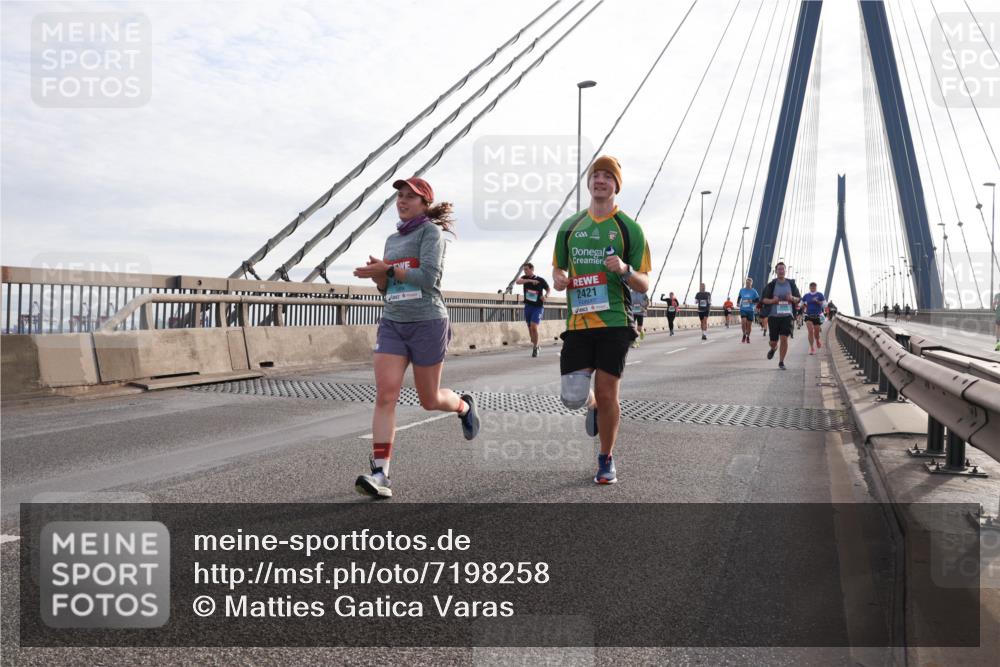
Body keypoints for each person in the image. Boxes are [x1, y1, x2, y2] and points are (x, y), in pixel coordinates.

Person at [352, 177, 481, 498]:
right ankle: (381, 473)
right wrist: (380, 277)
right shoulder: (392, 240)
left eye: (410, 196)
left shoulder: (430, 233)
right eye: (400, 196)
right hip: (393, 322)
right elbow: (387, 289)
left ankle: (463, 406)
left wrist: (389, 270)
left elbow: (428, 278)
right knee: (386, 395)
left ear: (425, 203)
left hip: (427, 322)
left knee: (429, 399)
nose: (402, 201)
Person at [552, 155, 651, 485]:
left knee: (609, 393)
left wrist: (624, 269)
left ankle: (606, 458)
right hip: (579, 323)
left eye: (608, 176)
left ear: (616, 185)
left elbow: (644, 283)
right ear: (589, 182)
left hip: (614, 322)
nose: (601, 181)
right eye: (596, 175)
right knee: (572, 398)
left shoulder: (629, 229)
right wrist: (558, 278)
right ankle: (591, 405)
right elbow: (558, 268)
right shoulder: (570, 226)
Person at [761, 262, 801, 370]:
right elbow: (763, 299)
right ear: (776, 271)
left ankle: (781, 362)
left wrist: (792, 298)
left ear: (785, 271)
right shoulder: (771, 285)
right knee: (773, 342)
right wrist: (773, 301)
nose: (781, 271)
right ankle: (773, 348)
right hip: (774, 316)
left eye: (783, 269)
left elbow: (798, 299)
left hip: (787, 315)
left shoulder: (791, 284)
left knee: (784, 338)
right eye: (779, 269)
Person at [514, 262, 550, 357]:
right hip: (528, 307)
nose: (525, 271)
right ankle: (536, 344)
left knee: (534, 327)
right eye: (524, 270)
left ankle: (535, 347)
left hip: (538, 307)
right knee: (530, 329)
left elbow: (548, 289)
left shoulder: (540, 280)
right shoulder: (525, 278)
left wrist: (546, 296)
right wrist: (530, 281)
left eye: (526, 269)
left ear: (532, 269)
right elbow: (517, 281)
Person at [801, 282, 826, 355]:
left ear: (816, 287)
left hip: (817, 316)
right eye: (811, 286)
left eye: (814, 286)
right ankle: (812, 348)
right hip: (808, 315)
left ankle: (817, 340)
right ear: (809, 287)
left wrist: (818, 301)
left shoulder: (820, 295)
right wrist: (801, 305)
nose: (813, 287)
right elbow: (801, 303)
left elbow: (825, 305)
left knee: (816, 333)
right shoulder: (806, 295)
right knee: (810, 331)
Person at [737, 278, 759, 343]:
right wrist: (738, 303)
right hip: (743, 309)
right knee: (743, 322)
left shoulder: (754, 291)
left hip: (750, 309)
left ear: (751, 283)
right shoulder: (742, 290)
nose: (747, 284)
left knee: (749, 325)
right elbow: (739, 297)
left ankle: (748, 337)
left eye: (749, 283)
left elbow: (758, 300)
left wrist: (752, 301)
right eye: (746, 283)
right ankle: (744, 334)